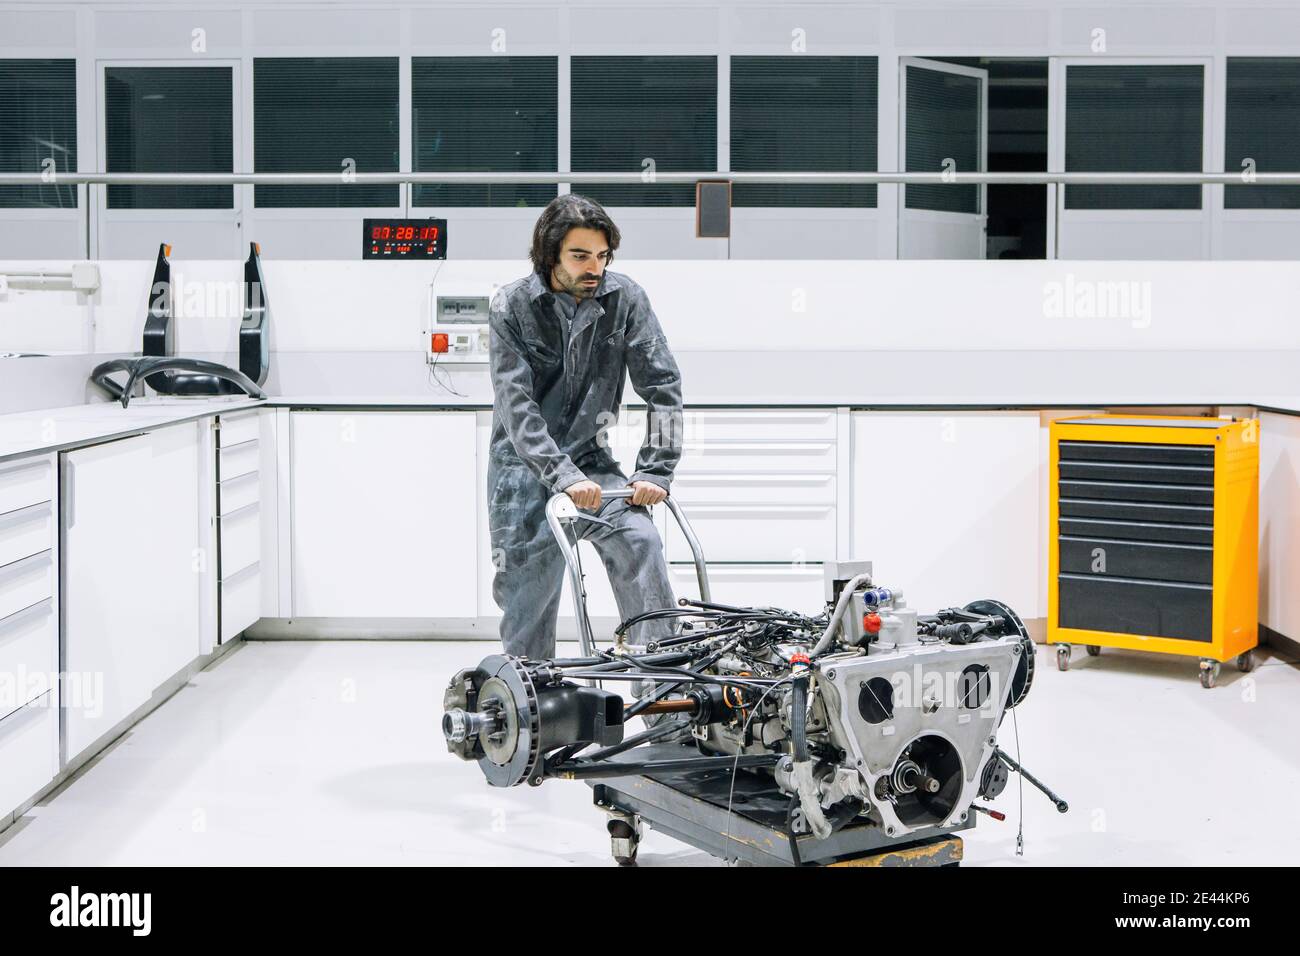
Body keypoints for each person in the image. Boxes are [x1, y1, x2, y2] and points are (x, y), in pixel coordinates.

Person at [487, 193, 684, 660]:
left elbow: (663, 384)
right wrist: (562, 476)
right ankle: (529, 711)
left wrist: (655, 469)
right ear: (549, 254)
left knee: (642, 543)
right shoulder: (511, 307)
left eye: (601, 255)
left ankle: (667, 697)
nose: (593, 267)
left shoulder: (625, 299)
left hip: (593, 463)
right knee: (528, 599)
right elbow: (517, 408)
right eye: (579, 256)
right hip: (523, 472)